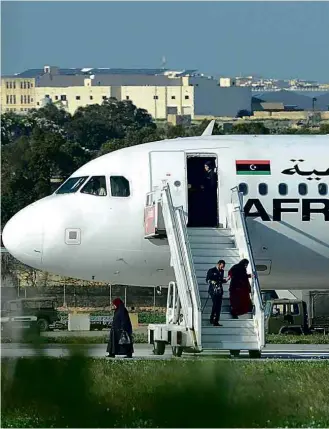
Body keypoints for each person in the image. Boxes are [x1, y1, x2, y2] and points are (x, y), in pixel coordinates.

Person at [206, 260, 227, 326]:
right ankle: (212, 318)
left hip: (219, 290)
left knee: (219, 306)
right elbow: (207, 280)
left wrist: (225, 280)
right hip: (213, 290)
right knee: (215, 304)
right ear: (218, 264)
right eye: (222, 266)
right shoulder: (211, 270)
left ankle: (216, 321)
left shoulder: (222, 271)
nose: (222, 268)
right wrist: (212, 281)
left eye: (223, 267)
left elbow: (221, 280)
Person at [202, 161, 218, 227]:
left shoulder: (212, 174)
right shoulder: (207, 173)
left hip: (210, 194)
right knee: (207, 208)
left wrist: (205, 187)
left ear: (209, 166)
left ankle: (211, 222)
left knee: (210, 208)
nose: (205, 168)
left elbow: (213, 184)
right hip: (207, 193)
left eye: (206, 166)